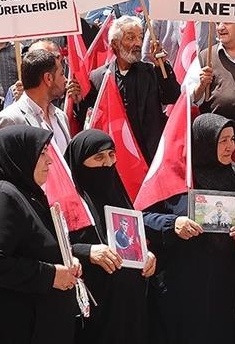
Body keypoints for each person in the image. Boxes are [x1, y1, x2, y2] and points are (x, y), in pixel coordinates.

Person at [0, 126, 80, 343]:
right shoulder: (1, 196)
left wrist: (66, 262)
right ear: (18, 155)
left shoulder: (24, 196)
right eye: (41, 153)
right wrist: (50, 275)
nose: (49, 161)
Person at [144, 114, 235, 344]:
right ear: (204, 141)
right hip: (181, 281)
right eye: (222, 141)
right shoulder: (176, 173)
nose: (230, 147)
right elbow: (142, 217)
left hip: (221, 281)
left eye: (232, 139)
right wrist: (173, 224)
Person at [65, 129, 155, 344]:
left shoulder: (118, 193)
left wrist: (146, 254)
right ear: (80, 162)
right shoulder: (69, 202)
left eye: (111, 155)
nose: (107, 163)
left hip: (129, 306)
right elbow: (53, 245)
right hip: (93, 308)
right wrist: (87, 251)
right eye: (98, 157)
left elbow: (132, 235)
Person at [76, 15, 181, 164]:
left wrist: (162, 66)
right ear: (115, 44)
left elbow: (173, 96)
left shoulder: (152, 71)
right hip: (117, 158)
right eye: (130, 38)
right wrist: (77, 101)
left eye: (140, 37)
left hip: (149, 155)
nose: (138, 43)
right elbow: (89, 119)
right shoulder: (98, 77)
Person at [0, 49, 73, 152]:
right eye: (62, 74)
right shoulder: (10, 120)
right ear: (48, 78)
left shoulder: (61, 117)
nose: (65, 80)